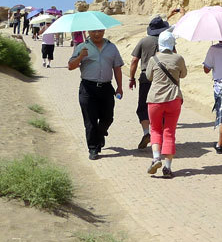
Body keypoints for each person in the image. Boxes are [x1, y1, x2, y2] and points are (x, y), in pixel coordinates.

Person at [128, 8, 182, 150]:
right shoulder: (168, 41)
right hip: (165, 79)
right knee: (164, 108)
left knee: (143, 107)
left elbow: (134, 60)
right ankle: (163, 138)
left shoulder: (143, 41)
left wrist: (131, 78)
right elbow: (175, 58)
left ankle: (147, 132)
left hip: (146, 77)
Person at [67, 28, 124, 160]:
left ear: (104, 31)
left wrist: (119, 87)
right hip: (88, 88)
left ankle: (99, 134)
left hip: (106, 87)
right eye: (93, 31)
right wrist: (80, 56)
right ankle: (93, 148)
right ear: (88, 32)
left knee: (108, 117)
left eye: (99, 31)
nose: (96, 34)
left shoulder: (112, 47)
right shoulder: (82, 46)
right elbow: (70, 66)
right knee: (90, 120)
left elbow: (117, 67)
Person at [145, 30, 187, 178]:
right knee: (169, 132)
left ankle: (156, 158)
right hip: (173, 98)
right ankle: (167, 168)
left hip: (155, 99)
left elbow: (149, 76)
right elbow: (183, 74)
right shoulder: (178, 58)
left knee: (155, 129)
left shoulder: (153, 59)